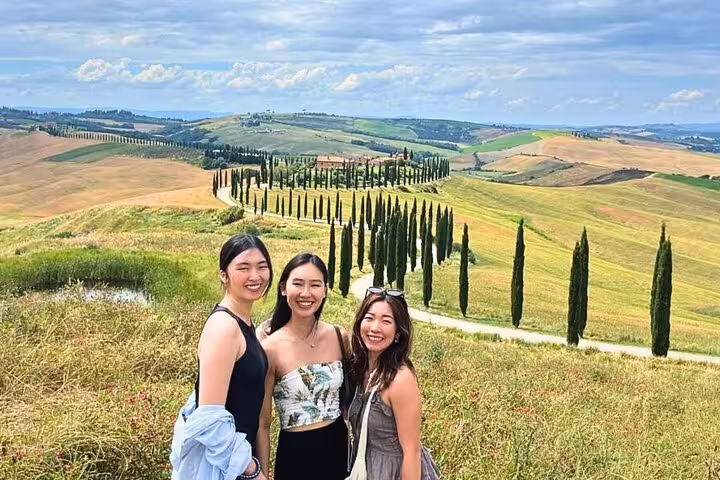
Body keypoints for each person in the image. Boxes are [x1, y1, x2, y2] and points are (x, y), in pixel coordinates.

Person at [170, 234, 272, 480]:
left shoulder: (242, 324)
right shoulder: (223, 327)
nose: (255, 276)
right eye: (243, 268)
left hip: (230, 463)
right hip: (220, 467)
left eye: (262, 267)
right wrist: (253, 471)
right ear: (224, 275)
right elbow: (210, 419)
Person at [257, 253, 350, 480]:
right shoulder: (270, 348)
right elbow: (263, 423)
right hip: (296, 456)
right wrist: (262, 471)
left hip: (339, 449)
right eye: (297, 284)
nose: (306, 293)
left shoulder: (339, 336)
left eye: (315, 285)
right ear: (283, 289)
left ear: (325, 290)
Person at [347, 287, 440, 480]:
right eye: (369, 318)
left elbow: (411, 451)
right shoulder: (361, 368)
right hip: (364, 467)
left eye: (386, 321)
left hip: (393, 471)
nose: (374, 328)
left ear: (398, 332)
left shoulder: (400, 379)